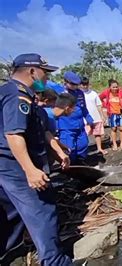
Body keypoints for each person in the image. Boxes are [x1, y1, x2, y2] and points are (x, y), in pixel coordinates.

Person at [0, 53, 72, 265]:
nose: (47, 79)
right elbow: (13, 134)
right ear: (32, 71)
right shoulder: (17, 95)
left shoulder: (15, 92)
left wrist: (58, 151)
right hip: (16, 165)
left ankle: (8, 250)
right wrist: (30, 170)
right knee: (42, 210)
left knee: (11, 211)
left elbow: (39, 128)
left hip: (7, 165)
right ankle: (54, 261)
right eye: (45, 73)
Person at [57, 71, 94, 164]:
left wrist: (89, 119)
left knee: (83, 144)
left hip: (80, 125)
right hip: (66, 127)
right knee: (69, 147)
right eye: (72, 84)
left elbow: (83, 107)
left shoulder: (80, 93)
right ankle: (71, 164)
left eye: (77, 84)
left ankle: (81, 161)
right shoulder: (59, 92)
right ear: (65, 82)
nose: (75, 86)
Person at [80, 77, 106, 155]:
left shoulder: (93, 93)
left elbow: (99, 105)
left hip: (96, 117)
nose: (84, 86)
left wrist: (102, 116)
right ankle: (85, 151)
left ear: (89, 84)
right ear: (80, 85)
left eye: (86, 84)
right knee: (84, 135)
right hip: (84, 119)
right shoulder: (79, 94)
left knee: (97, 134)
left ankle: (99, 148)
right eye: (83, 85)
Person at [99, 79, 122, 151]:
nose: (115, 89)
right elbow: (99, 98)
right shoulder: (106, 92)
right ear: (109, 87)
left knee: (121, 128)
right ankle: (114, 143)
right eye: (113, 87)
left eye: (116, 87)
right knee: (113, 128)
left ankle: (121, 143)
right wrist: (104, 104)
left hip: (121, 113)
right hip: (112, 113)